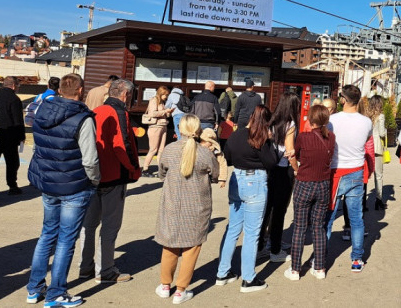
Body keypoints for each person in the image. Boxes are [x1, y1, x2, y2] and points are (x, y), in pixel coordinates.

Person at [26, 73, 99, 308]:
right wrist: (95, 180)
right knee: (66, 239)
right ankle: (56, 293)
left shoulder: (42, 110)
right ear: (80, 91)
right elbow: (90, 159)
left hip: (49, 181)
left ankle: (34, 288)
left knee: (48, 234)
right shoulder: (83, 118)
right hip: (74, 185)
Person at [79, 79, 141, 284]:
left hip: (93, 174)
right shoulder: (119, 113)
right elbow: (121, 145)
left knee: (89, 224)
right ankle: (105, 270)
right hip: (113, 175)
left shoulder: (96, 111)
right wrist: (134, 168)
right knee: (110, 226)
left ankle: (85, 266)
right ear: (125, 95)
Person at [154, 114, 219, 305]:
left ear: (179, 129)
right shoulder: (206, 153)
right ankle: (181, 291)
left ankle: (165, 286)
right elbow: (215, 175)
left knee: (170, 245)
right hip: (197, 206)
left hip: (172, 204)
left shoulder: (169, 150)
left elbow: (161, 173)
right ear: (198, 130)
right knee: (192, 248)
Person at [216, 105, 278, 292]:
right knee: (252, 232)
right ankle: (248, 278)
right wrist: (271, 143)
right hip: (255, 181)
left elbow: (227, 155)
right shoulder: (261, 138)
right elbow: (271, 162)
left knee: (233, 228)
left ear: (251, 117)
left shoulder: (236, 135)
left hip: (237, 178)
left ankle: (223, 272)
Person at [284, 104, 335, 281]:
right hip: (323, 185)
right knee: (318, 227)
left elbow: (294, 156)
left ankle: (295, 270)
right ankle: (320, 268)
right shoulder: (331, 138)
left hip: (304, 183)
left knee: (299, 227)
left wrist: (297, 167)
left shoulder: (303, 137)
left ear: (311, 120)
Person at [326, 85, 371, 272]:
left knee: (327, 218)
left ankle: (320, 257)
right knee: (356, 219)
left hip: (335, 170)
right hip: (356, 171)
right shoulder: (367, 122)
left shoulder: (331, 120)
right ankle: (357, 259)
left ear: (343, 99)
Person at [260, 92, 300, 263]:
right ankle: (275, 247)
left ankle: (260, 244)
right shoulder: (290, 124)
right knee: (279, 210)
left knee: (266, 209)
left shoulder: (271, 122)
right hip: (284, 170)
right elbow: (290, 150)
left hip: (269, 169)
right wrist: (297, 169)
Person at [0, 76, 26, 195]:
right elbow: (18, 120)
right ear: (14, 86)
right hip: (10, 135)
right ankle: (12, 185)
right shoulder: (14, 99)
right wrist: (21, 136)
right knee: (12, 162)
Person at [142, 86, 173, 176]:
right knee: (153, 149)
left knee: (161, 150)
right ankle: (145, 169)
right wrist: (164, 111)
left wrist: (168, 112)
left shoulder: (162, 102)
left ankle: (160, 170)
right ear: (161, 93)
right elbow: (152, 113)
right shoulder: (154, 100)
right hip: (155, 126)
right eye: (165, 95)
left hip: (163, 125)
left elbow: (163, 114)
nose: (166, 97)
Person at [364, 95, 387, 210]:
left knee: (366, 174)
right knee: (378, 174)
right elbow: (382, 133)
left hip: (367, 146)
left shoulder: (366, 115)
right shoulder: (381, 116)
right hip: (377, 147)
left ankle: (363, 201)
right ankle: (379, 199)